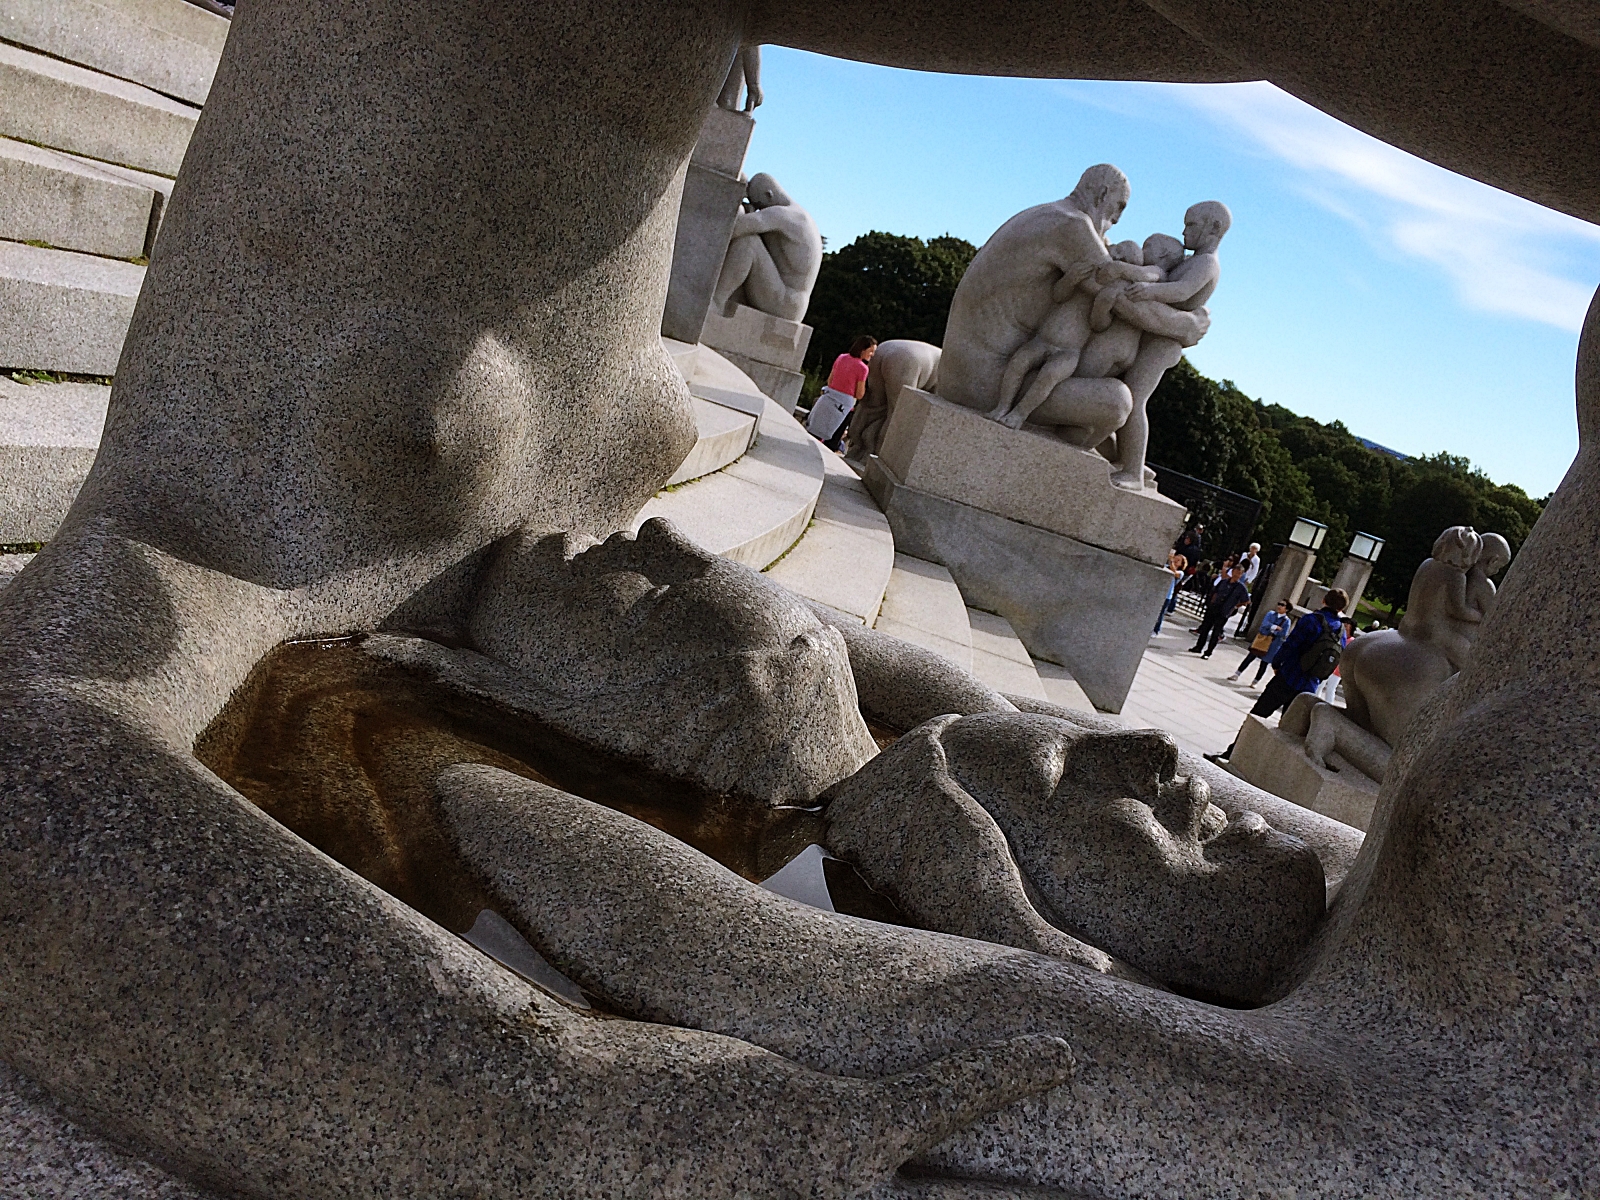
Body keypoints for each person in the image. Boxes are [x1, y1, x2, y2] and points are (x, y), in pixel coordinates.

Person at [1206, 587, 1350, 764]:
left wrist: (1277, 664)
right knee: (1289, 732)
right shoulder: (1341, 632)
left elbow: (1291, 644)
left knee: (1258, 716)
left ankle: (1232, 753)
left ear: (1324, 601)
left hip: (1288, 677)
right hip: (1308, 688)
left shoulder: (1312, 620)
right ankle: (1267, 765)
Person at [806, 336, 877, 450]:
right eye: (871, 351)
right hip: (843, 405)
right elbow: (859, 394)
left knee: (816, 430)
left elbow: (830, 380)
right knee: (832, 440)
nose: (872, 354)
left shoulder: (841, 357)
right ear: (863, 350)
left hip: (828, 398)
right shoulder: (862, 368)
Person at [1189, 565, 1249, 658]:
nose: (1236, 575)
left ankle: (1208, 652)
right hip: (1213, 608)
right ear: (1232, 572)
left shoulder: (1241, 587)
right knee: (1205, 628)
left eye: (1239, 573)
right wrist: (1211, 601)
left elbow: (1246, 601)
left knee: (1215, 633)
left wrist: (1235, 606)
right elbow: (1215, 591)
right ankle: (1198, 647)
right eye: (1235, 572)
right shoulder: (1224, 582)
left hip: (1224, 612)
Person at [1229, 599, 1292, 684]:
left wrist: (1272, 630)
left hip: (1272, 644)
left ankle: (1256, 681)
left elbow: (1283, 634)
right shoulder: (1270, 614)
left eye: (1282, 605)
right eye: (1279, 604)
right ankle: (1237, 674)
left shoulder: (1287, 621)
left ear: (1287, 609)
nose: (1279, 606)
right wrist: (1274, 627)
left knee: (1264, 663)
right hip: (1262, 639)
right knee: (1250, 657)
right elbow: (1264, 625)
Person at [1154, 549, 1186, 634]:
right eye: (1176, 558)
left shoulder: (1180, 573)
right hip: (1159, 592)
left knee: (1160, 613)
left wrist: (1171, 561)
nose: (1175, 560)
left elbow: (1174, 573)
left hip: (1167, 595)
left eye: (1178, 560)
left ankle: (1156, 630)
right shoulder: (1167, 566)